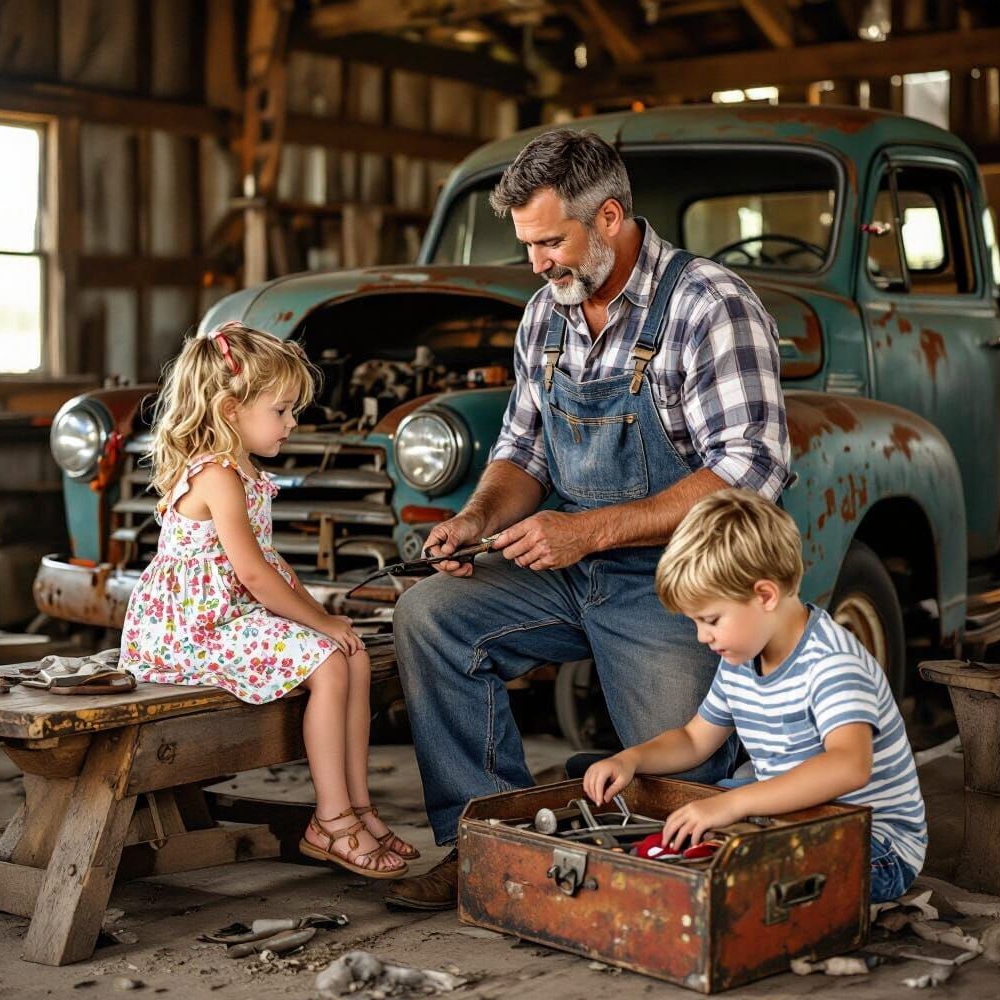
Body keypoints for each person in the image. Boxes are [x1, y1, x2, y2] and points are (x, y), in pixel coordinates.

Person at [386, 128, 790, 911]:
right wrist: (475, 518)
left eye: (549, 242)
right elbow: (522, 455)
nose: (537, 264)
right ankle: (484, 845)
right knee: (431, 616)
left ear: (609, 217)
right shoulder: (546, 315)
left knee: (681, 793)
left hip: (681, 587)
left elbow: (753, 473)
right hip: (573, 568)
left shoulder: (709, 305)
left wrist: (591, 530)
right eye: (528, 245)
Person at [119, 321, 417, 880]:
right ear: (231, 409)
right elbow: (254, 575)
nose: (292, 422)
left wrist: (325, 619)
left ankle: (358, 808)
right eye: (281, 410)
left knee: (350, 654)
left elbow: (271, 566)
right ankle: (329, 820)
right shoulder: (217, 476)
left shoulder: (246, 472)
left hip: (227, 616)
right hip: (189, 631)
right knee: (330, 662)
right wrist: (319, 625)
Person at [583, 488, 927, 903]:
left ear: (764, 595)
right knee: (677, 845)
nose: (702, 637)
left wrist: (734, 805)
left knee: (732, 884)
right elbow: (694, 739)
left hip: (875, 845)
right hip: (791, 821)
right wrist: (631, 759)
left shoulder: (831, 662)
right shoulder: (738, 660)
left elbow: (849, 766)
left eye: (710, 620)